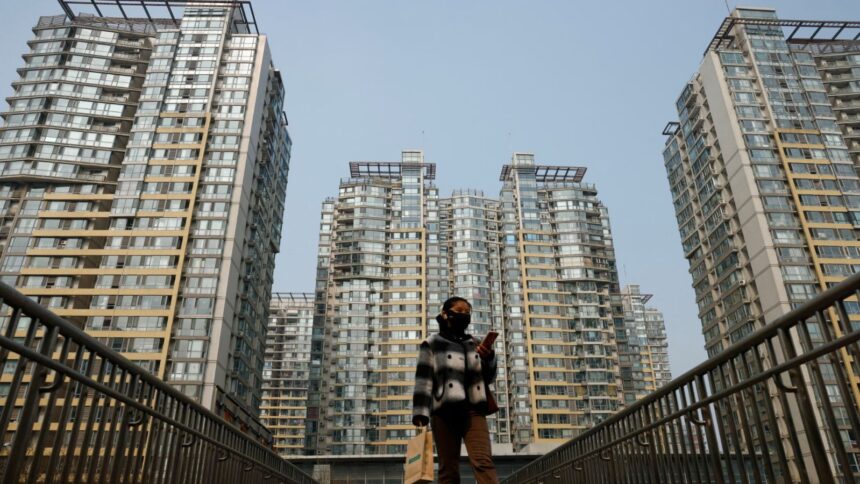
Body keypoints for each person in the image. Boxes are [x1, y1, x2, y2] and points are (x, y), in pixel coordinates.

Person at [412, 296, 499, 484]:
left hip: (474, 411)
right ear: (445, 314)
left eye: (467, 312)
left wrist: (489, 358)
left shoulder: (474, 342)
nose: (464, 315)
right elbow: (423, 380)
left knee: (483, 462)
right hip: (444, 411)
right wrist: (420, 413)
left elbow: (489, 378)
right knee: (448, 469)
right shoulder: (433, 342)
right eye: (459, 311)